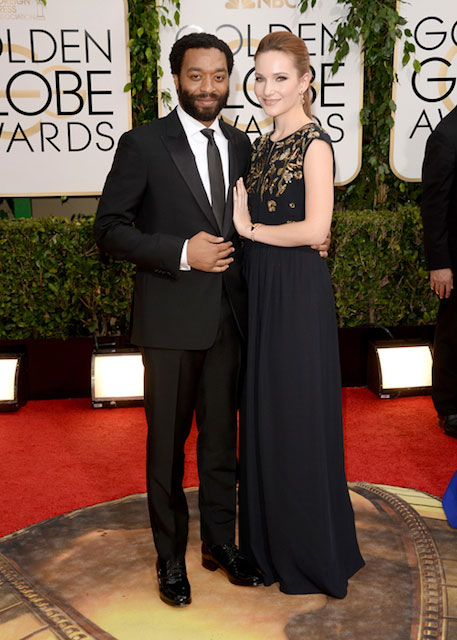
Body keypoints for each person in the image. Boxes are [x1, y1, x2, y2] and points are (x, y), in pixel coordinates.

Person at [94, 32, 263, 607]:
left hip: (229, 319)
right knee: (166, 445)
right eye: (197, 76)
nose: (208, 88)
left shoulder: (242, 144)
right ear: (176, 79)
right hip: (169, 322)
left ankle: (221, 542)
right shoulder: (142, 144)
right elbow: (110, 229)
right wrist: (182, 252)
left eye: (219, 76)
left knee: (221, 441)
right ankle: (170, 559)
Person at [233, 31, 364, 598]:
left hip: (297, 295)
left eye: (280, 77)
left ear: (307, 81)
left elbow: (317, 230)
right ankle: (267, 547)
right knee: (267, 414)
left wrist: (250, 229)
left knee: (296, 416)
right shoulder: (262, 143)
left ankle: (308, 554)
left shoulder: (315, 145)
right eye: (260, 77)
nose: (267, 88)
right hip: (264, 288)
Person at [421, 106, 457, 439]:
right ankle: (449, 407)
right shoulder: (446, 136)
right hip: (455, 261)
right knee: (453, 333)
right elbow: (433, 205)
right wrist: (440, 264)